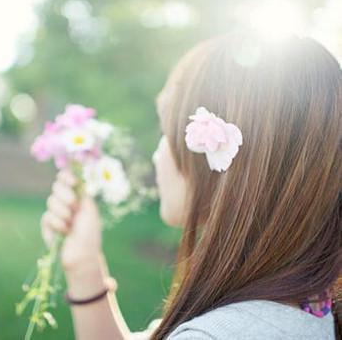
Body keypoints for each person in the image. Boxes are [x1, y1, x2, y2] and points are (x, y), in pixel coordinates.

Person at [39, 30, 342, 339]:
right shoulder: (302, 304)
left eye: (167, 127)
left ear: (219, 157)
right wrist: (84, 265)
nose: (159, 155)